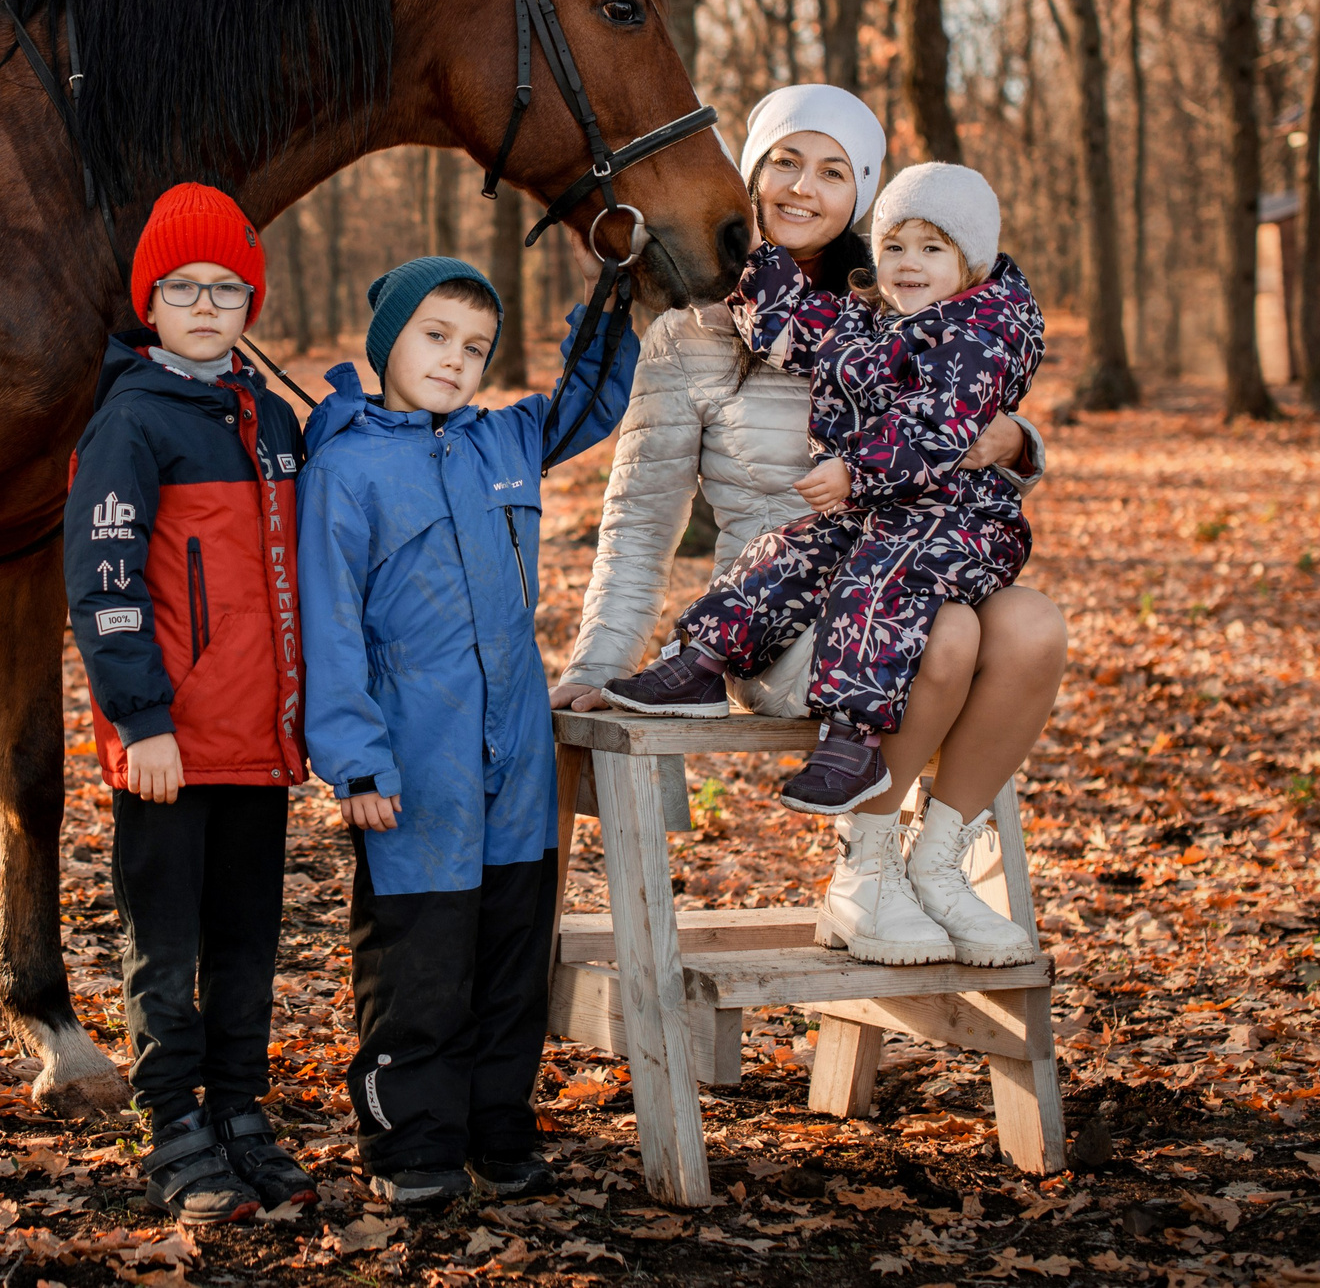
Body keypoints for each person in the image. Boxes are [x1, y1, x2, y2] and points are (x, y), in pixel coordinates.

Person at [553, 86, 1067, 975]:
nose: (803, 187)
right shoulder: (692, 334)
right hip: (780, 612)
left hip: (911, 565)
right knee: (944, 630)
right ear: (748, 177)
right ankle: (864, 868)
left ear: (861, 195)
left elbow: (968, 410)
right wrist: (600, 662)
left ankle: (934, 864)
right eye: (785, 161)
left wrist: (1020, 443)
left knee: (1034, 625)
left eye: (834, 171)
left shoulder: (904, 302)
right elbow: (640, 517)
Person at [299, 256, 637, 1208]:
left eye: (476, 347)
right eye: (434, 336)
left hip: (518, 749)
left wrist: (616, 292)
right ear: (388, 343)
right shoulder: (346, 466)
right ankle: (416, 1145)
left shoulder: (509, 441)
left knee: (509, 953)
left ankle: (500, 1128)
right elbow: (327, 624)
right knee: (423, 962)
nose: (455, 359)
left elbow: (595, 393)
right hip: (414, 755)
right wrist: (357, 759)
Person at [63, 182, 314, 1225]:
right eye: (182, 287)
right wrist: (141, 718)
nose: (206, 305)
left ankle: (240, 1109)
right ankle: (172, 1121)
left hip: (260, 738)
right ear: (150, 300)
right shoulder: (130, 422)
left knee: (249, 935)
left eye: (226, 287)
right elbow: (103, 581)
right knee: (165, 939)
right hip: (171, 741)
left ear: (250, 302)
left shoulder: (276, 423)